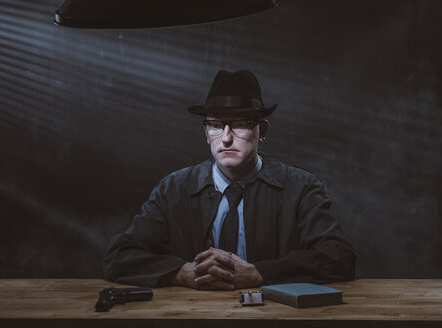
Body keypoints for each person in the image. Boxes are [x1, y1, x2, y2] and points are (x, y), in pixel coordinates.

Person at [103, 70, 355, 290]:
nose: (225, 137)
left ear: (262, 130)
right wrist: (179, 273)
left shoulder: (301, 187)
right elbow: (120, 256)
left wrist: (260, 273)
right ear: (205, 132)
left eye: (240, 124)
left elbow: (339, 257)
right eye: (215, 124)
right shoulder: (174, 188)